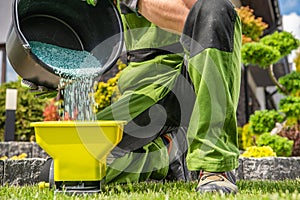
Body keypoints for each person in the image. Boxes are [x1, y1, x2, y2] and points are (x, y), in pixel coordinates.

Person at [32, 0, 242, 194]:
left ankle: (214, 168)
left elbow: (196, 18)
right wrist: (46, 70)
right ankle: (167, 155)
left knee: (214, 9)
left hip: (199, 79)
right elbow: (87, 27)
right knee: (63, 168)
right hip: (148, 88)